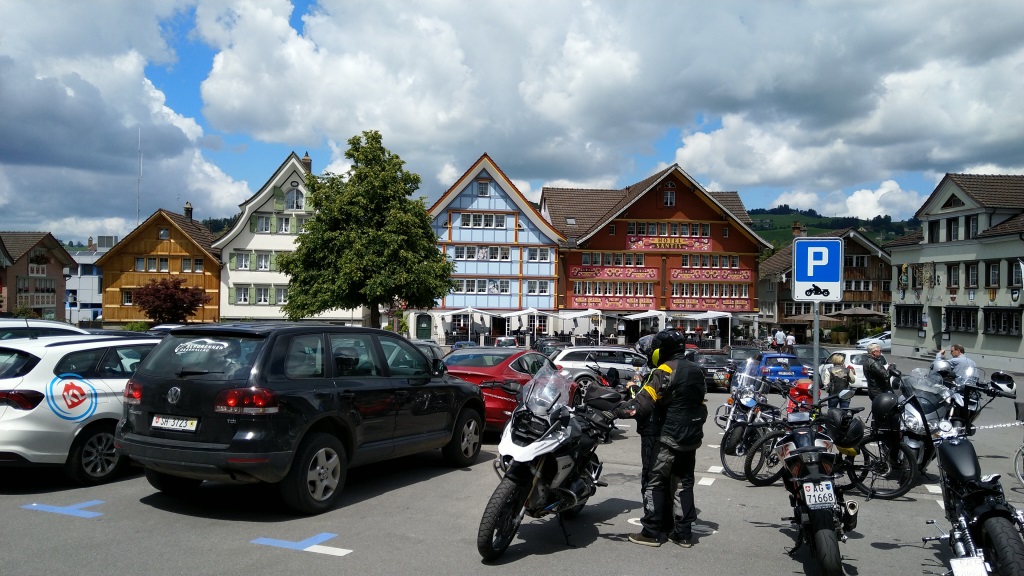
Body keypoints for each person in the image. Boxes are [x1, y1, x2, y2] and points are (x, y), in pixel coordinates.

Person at [614, 329, 707, 548]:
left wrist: (616, 411)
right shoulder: (696, 370)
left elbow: (643, 404)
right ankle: (683, 534)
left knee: (655, 481)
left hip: (669, 436)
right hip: (691, 436)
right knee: (684, 483)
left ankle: (651, 532)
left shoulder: (664, 370)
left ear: (662, 350)